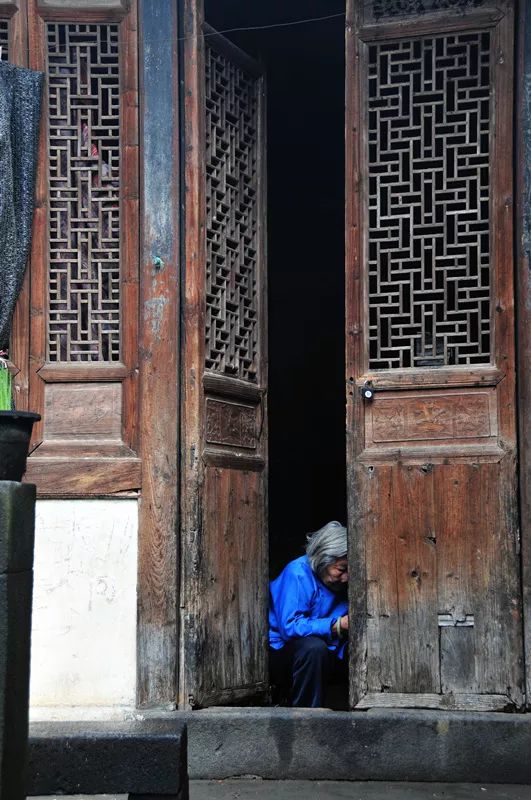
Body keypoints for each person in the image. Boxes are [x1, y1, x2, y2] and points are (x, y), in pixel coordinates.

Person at [269, 520, 348, 708]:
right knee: (314, 649)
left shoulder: (343, 583)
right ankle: (306, 717)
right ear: (323, 559)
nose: (346, 577)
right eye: (341, 569)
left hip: (330, 649)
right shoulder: (298, 573)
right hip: (284, 650)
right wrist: (336, 626)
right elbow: (290, 627)